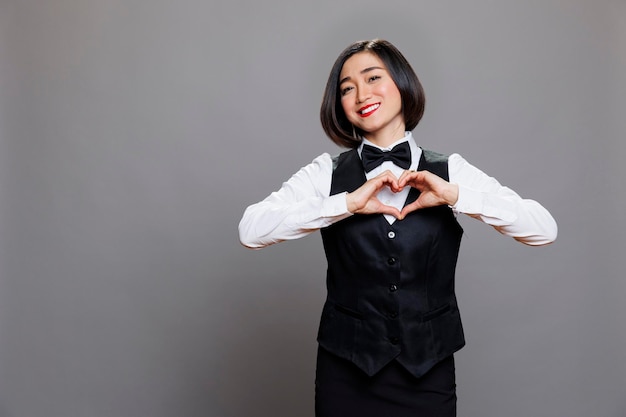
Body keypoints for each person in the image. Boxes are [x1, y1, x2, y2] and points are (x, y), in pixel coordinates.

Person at [238, 39, 557, 417]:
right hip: (345, 375)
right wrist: (345, 204)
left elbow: (543, 228)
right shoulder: (326, 173)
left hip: (428, 374)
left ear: (403, 83)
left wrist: (455, 195)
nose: (361, 94)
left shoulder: (450, 170)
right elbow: (251, 230)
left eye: (373, 77)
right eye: (347, 88)